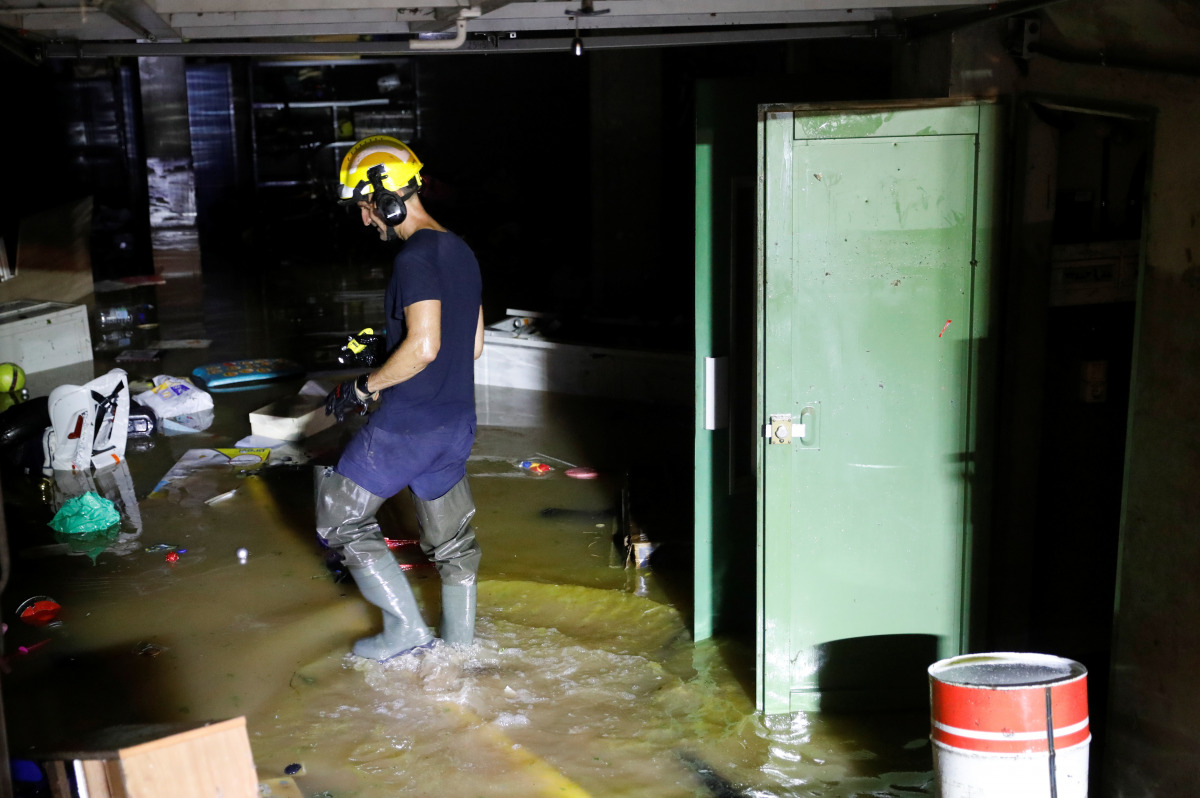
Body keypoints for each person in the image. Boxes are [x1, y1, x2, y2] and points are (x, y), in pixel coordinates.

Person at [315, 135, 484, 660]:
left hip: (409, 424)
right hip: (457, 423)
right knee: (454, 546)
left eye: (366, 207)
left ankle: (405, 633)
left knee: (338, 517)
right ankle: (458, 654)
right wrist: (390, 341)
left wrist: (362, 387)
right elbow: (472, 344)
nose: (367, 221)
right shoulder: (460, 248)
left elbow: (426, 345)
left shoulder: (413, 257)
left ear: (386, 197)